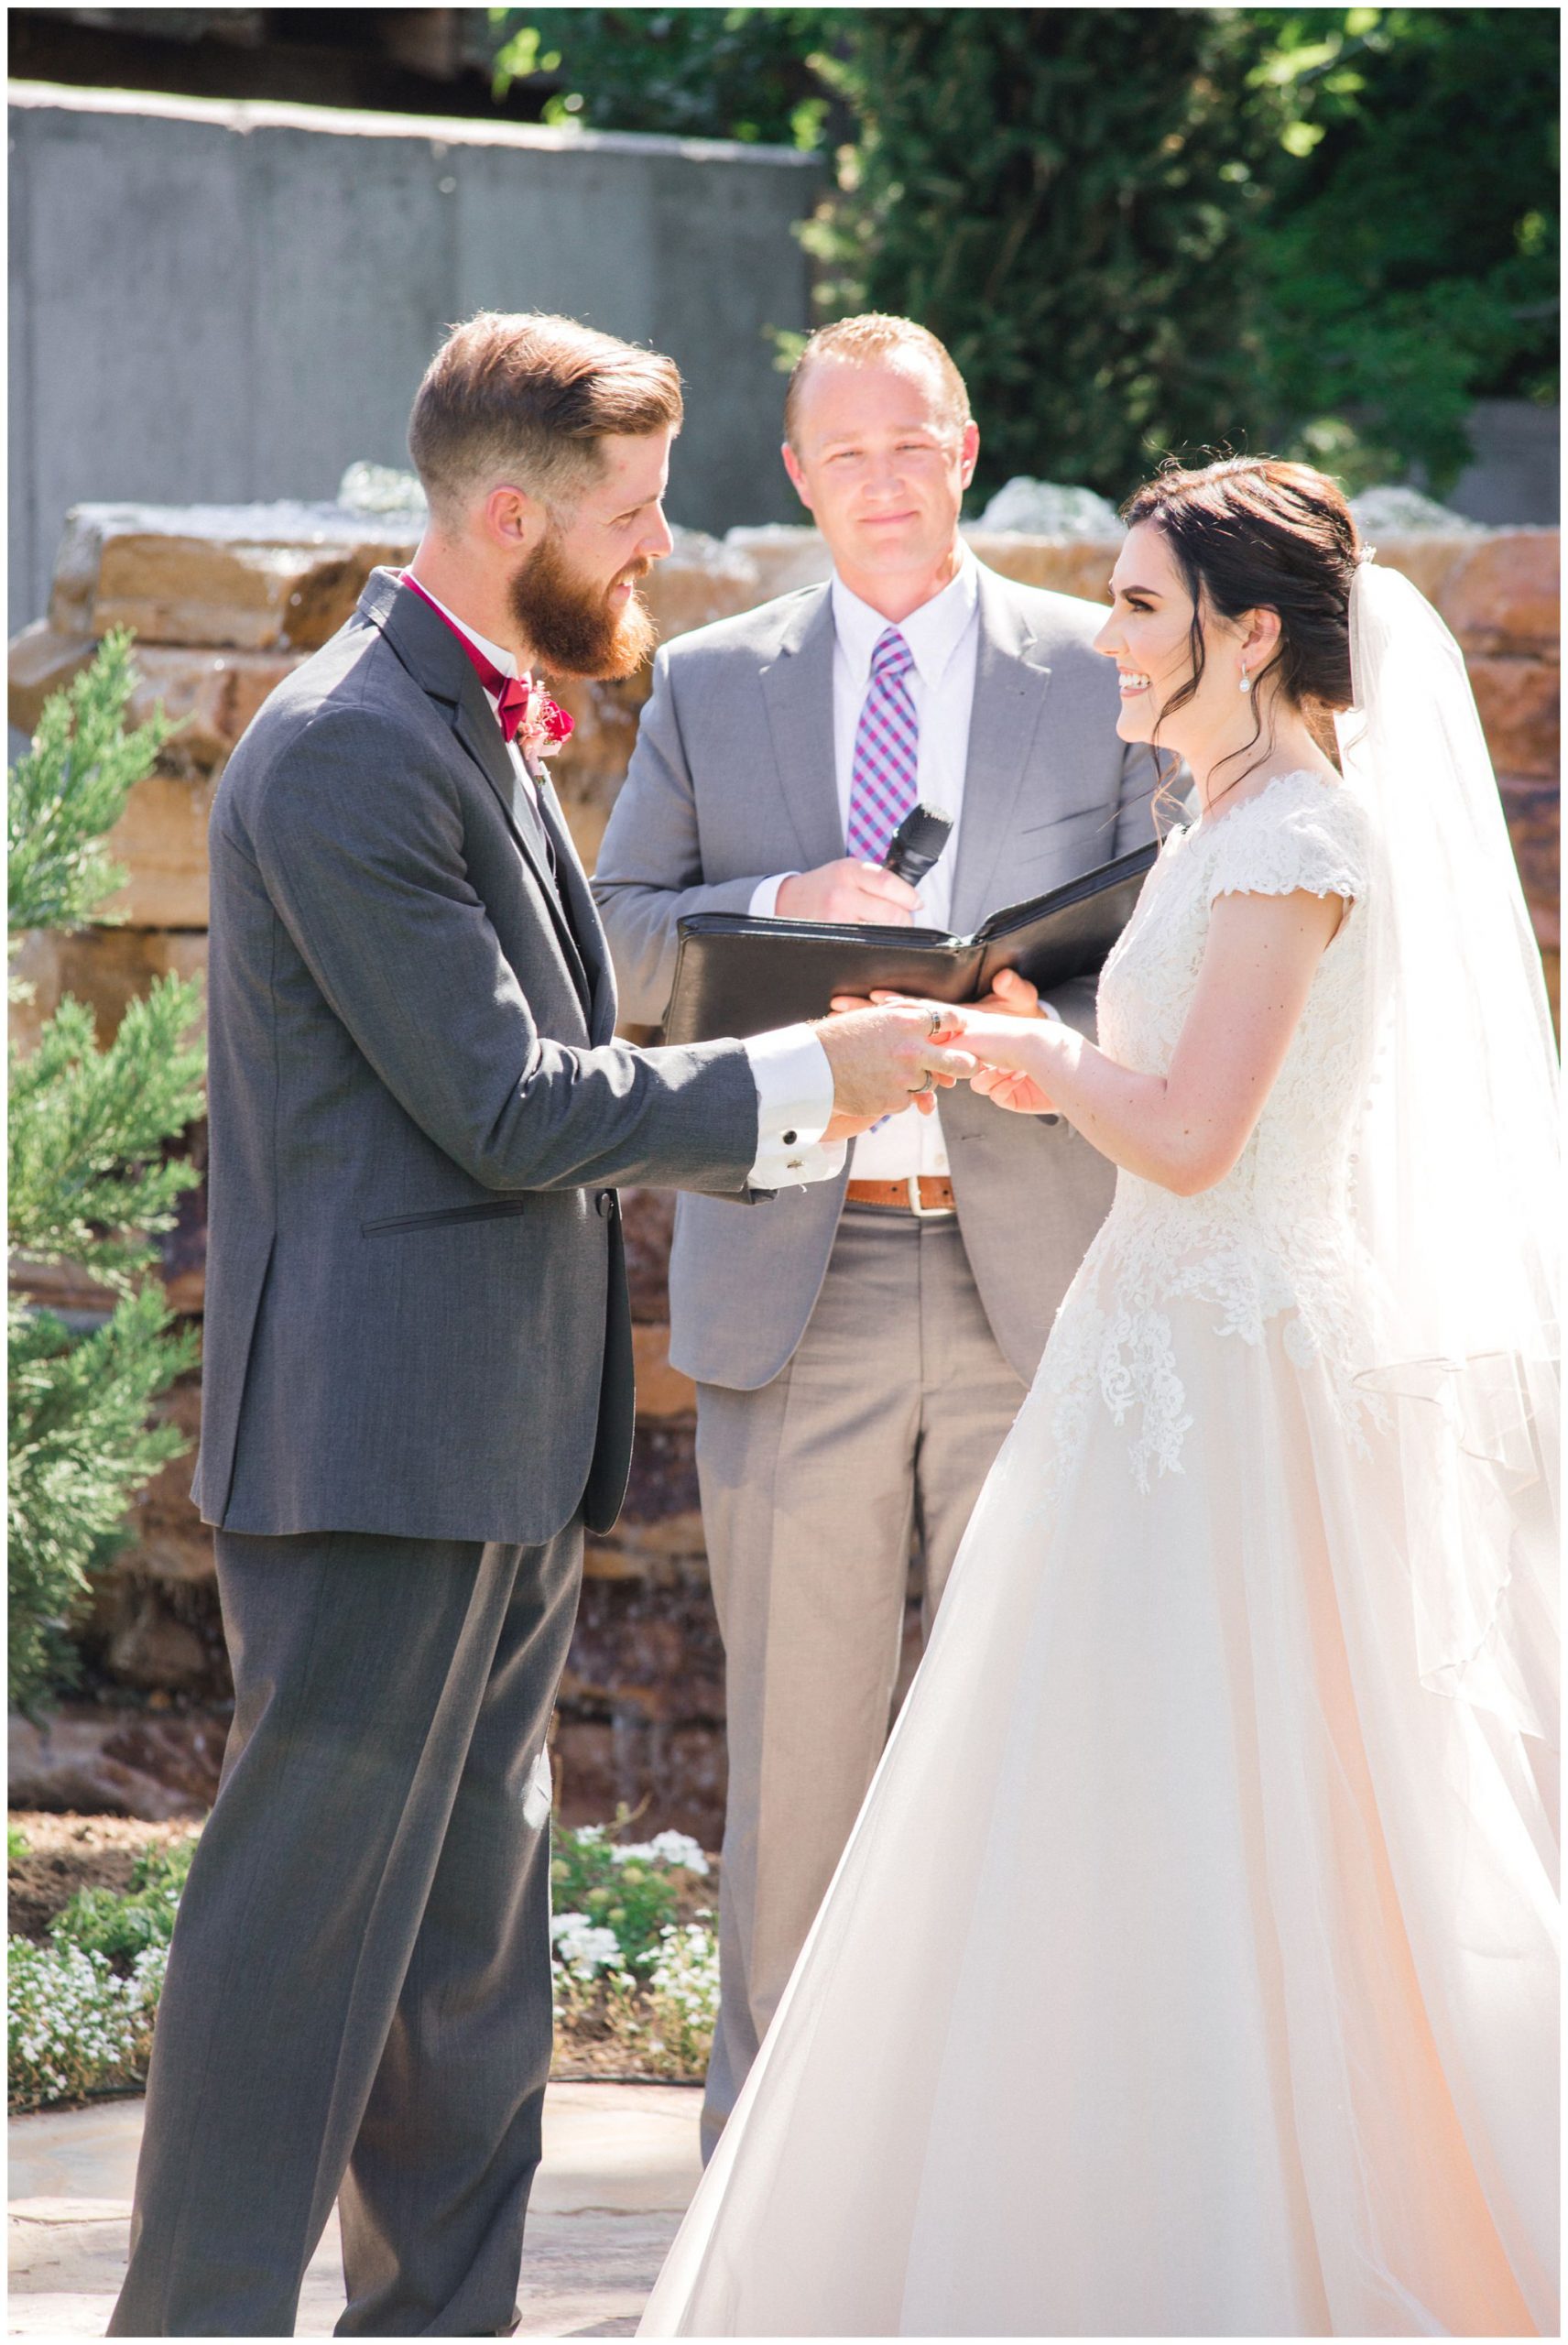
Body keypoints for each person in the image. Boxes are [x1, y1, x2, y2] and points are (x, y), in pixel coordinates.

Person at [106, 311, 975, 2340]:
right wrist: (809, 1079)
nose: (660, 548)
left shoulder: (470, 717)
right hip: (373, 1455)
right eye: (636, 514)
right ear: (512, 514)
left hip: (491, 1442)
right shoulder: (341, 751)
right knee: (297, 1959)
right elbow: (503, 1103)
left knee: (468, 1978)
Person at [638, 457, 1560, 2338]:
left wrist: (1026, 1062)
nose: (1112, 638)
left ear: (1241, 630)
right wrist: (1013, 1050)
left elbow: (1201, 1135)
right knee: (1088, 1815)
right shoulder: (1220, 822)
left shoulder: (1302, 835)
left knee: (1249, 1816)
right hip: (1145, 1360)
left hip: (1231, 1392)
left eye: (1141, 608)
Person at [592, 313, 1154, 2155]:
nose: (885, 483)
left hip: (1038, 1281)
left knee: (1028, 1741)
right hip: (796, 1277)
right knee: (804, 1761)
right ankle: (772, 2173)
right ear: (796, 477)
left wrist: (1044, 1019)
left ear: (968, 444)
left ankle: (1007, 2160)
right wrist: (779, 902)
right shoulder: (710, 681)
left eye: (912, 444)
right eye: (848, 455)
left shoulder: (1098, 668)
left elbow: (1176, 938)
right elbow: (609, 950)